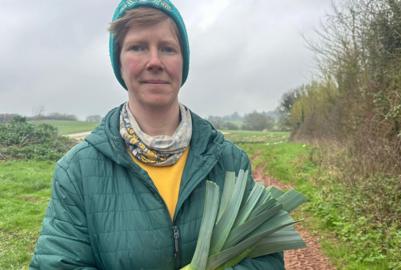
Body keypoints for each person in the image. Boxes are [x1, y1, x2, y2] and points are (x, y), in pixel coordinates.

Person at [29, 0, 284, 269]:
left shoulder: (229, 161)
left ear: (183, 61)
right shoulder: (78, 171)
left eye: (167, 48)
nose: (154, 61)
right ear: (119, 62)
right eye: (138, 47)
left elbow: (264, 258)